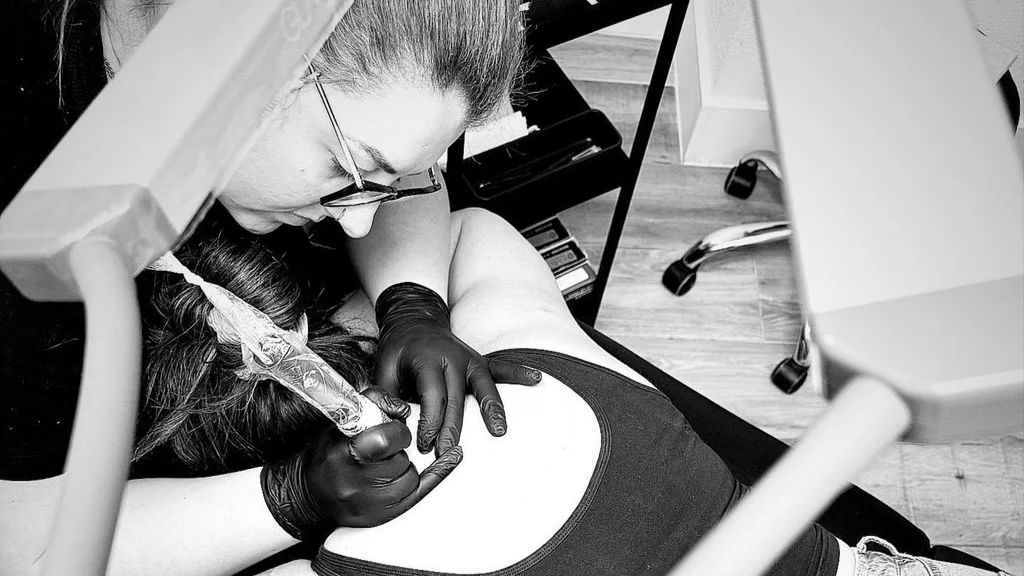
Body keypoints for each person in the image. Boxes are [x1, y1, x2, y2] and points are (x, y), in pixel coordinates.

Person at [119, 208, 1010, 576]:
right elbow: (470, 225)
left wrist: (278, 504)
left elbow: (77, 549)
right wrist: (417, 305)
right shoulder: (534, 354)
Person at [0, 0, 536, 574]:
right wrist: (288, 498)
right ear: (231, 59)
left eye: (390, 181)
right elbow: (26, 545)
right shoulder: (33, 241)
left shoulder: (354, 112)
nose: (360, 222)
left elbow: (412, 171)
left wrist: (413, 301)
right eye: (349, 168)